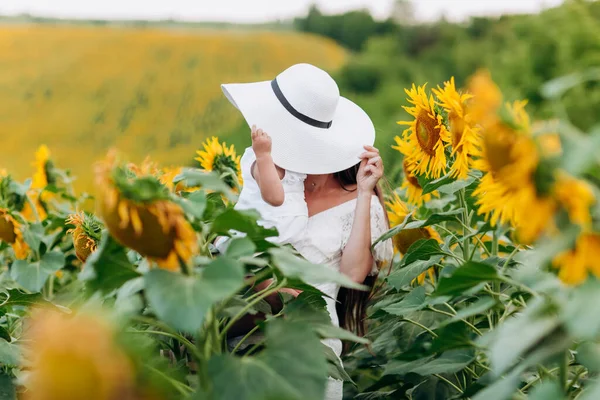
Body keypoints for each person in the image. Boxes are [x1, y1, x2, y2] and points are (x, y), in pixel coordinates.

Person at [221, 63, 393, 400]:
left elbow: (353, 274)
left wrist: (363, 192)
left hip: (309, 345)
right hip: (244, 335)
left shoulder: (360, 201)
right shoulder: (275, 175)